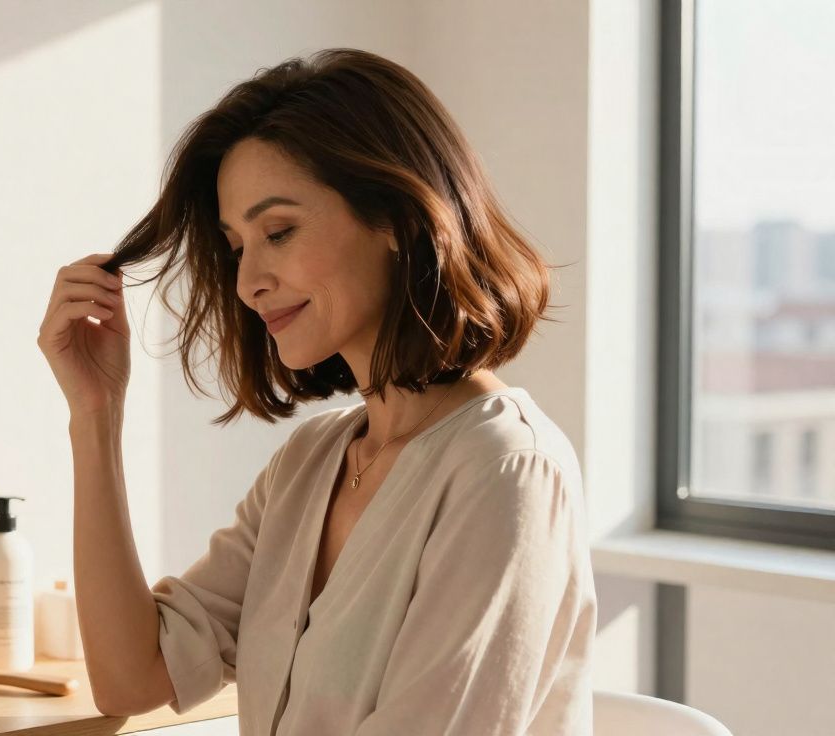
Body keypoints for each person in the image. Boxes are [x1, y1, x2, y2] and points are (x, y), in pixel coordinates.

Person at [38, 49, 596, 734]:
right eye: (238, 246)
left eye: (279, 231)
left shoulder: (505, 471)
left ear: (392, 216)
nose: (248, 283)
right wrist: (95, 416)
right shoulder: (309, 465)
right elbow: (131, 678)